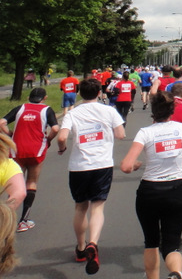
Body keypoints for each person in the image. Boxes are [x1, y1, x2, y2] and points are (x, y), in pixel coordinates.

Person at [120, 91, 182, 279]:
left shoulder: (145, 133)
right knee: (172, 244)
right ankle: (176, 272)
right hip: (175, 190)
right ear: (171, 111)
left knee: (151, 243)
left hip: (149, 192)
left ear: (153, 111)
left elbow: (126, 166)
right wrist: (179, 165)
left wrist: (136, 165)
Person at [57, 78, 125, 274]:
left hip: (79, 166)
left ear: (79, 93)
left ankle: (80, 248)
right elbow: (121, 134)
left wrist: (62, 148)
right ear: (99, 93)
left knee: (80, 207)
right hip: (102, 165)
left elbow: (62, 137)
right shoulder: (109, 110)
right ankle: (93, 243)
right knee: (97, 207)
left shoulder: (73, 113)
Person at [0, 88, 59, 233]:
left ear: (28, 97)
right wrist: (48, 139)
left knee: (15, 185)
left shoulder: (20, 108)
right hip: (36, 149)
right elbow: (56, 129)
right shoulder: (47, 110)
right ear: (44, 98)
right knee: (31, 182)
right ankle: (24, 220)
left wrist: (10, 134)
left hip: (17, 149)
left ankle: (7, 218)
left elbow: (1, 122)